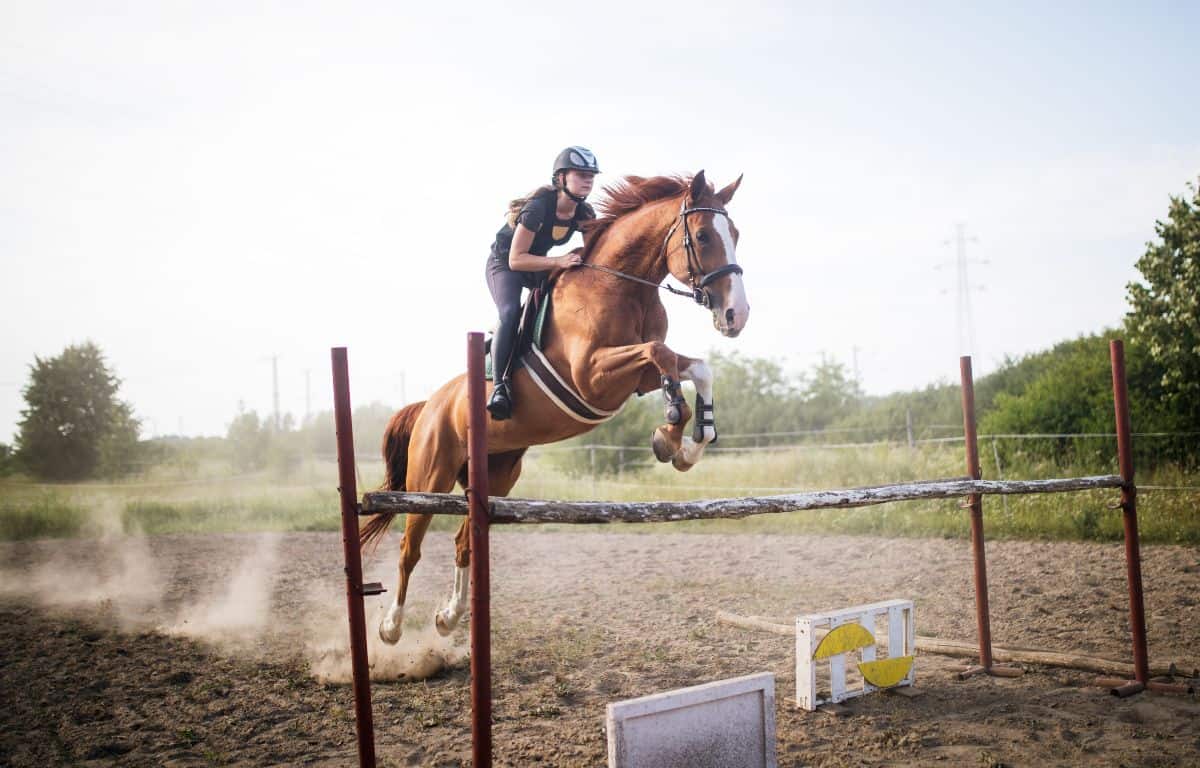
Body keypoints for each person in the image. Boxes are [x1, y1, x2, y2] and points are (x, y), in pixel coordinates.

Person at [485, 146, 599, 420]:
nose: (588, 180)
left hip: (537, 263)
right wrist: (559, 261)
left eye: (591, 176)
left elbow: (596, 253)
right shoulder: (537, 209)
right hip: (506, 264)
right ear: (561, 178)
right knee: (510, 312)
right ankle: (500, 386)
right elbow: (517, 259)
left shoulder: (584, 213)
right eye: (581, 174)